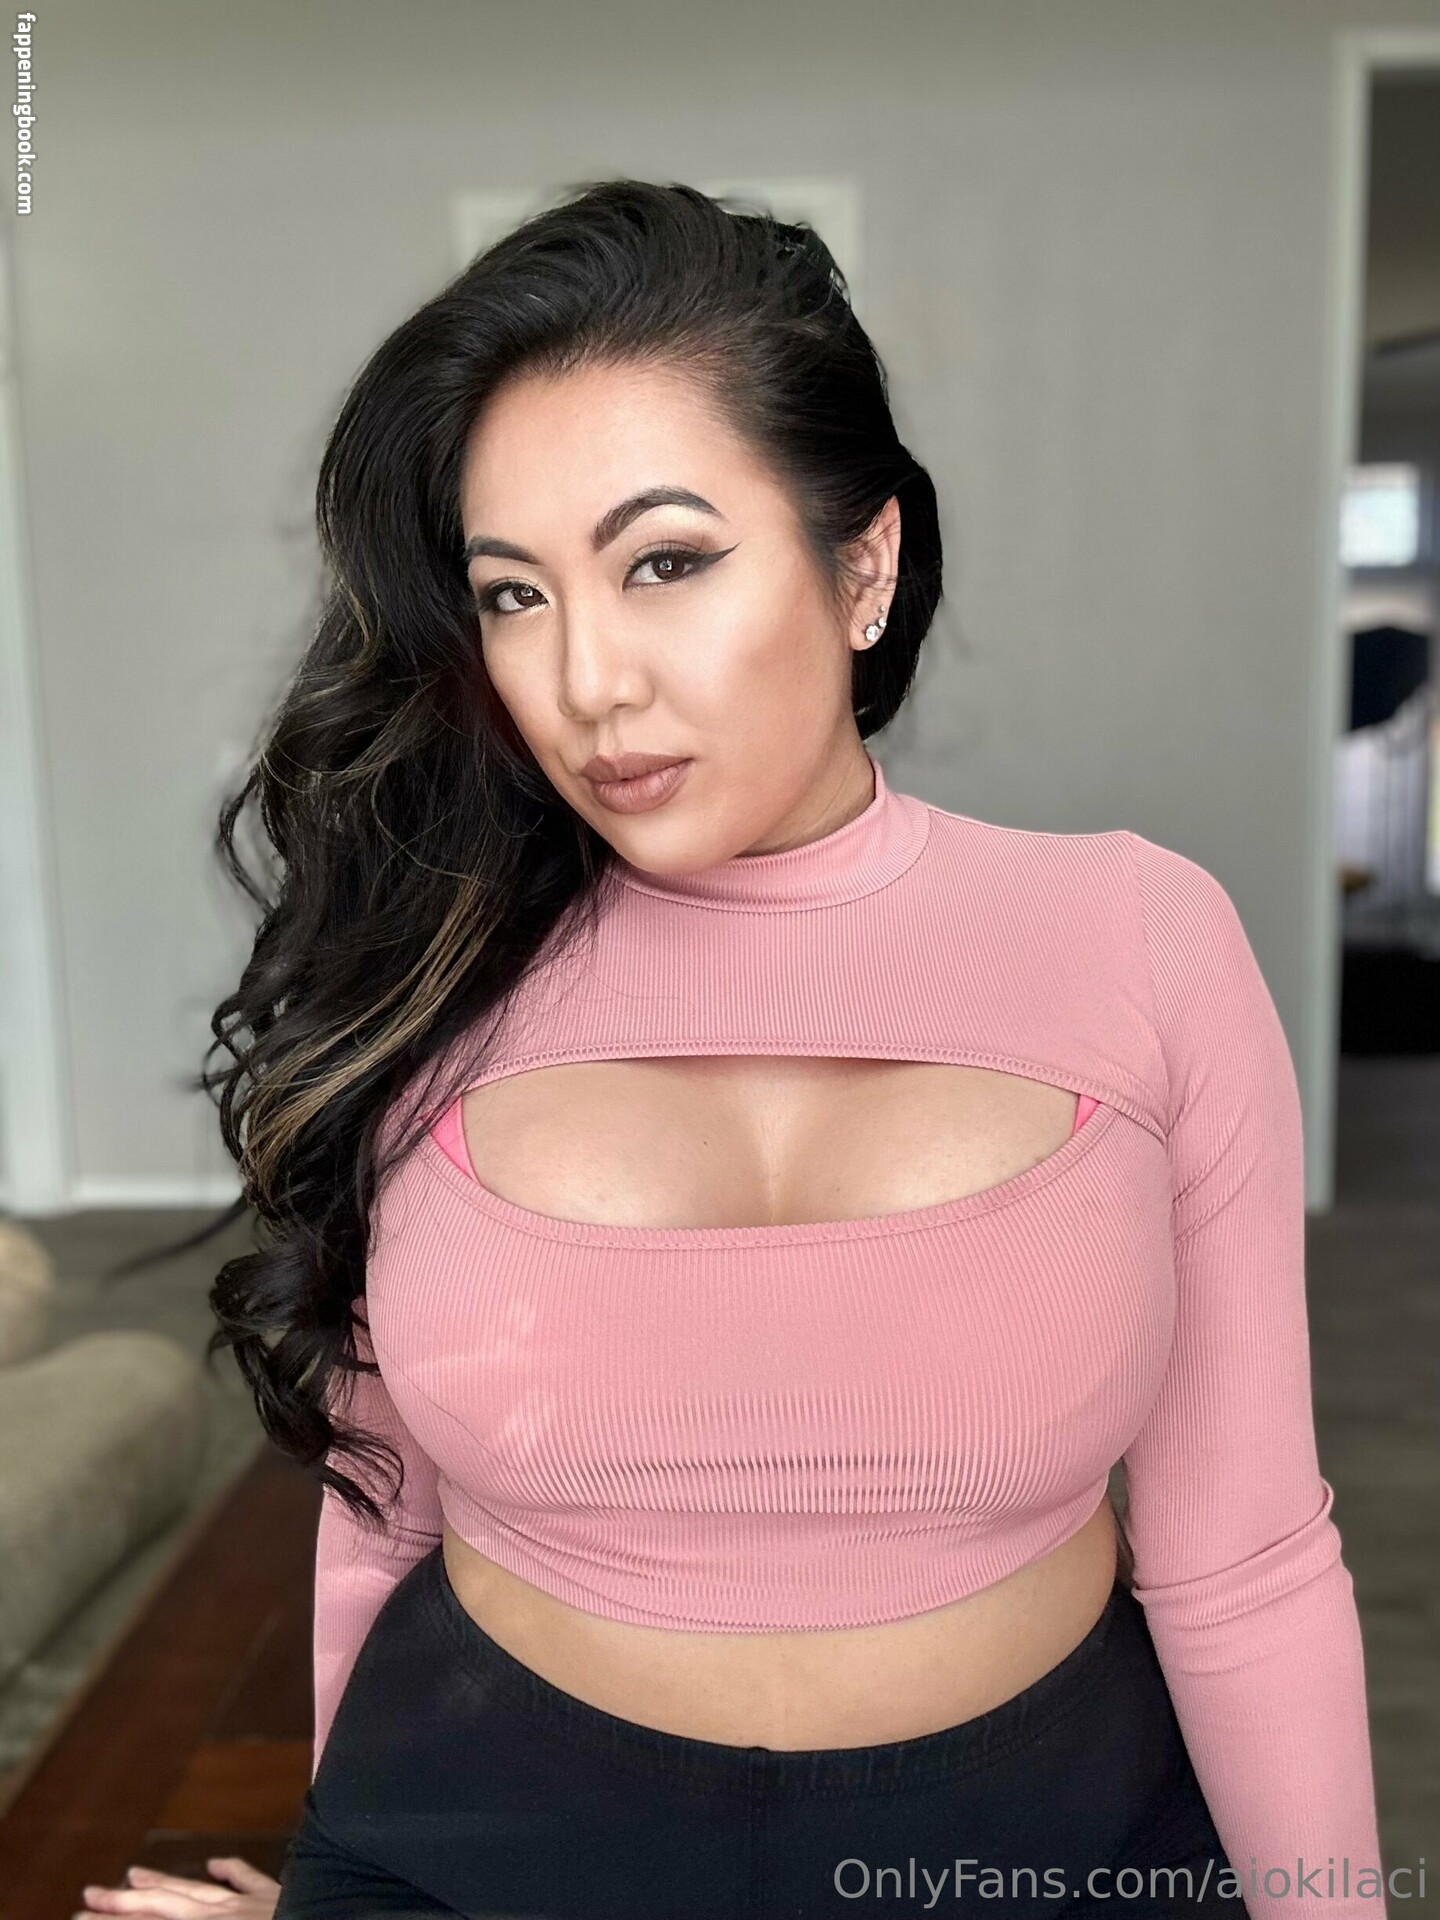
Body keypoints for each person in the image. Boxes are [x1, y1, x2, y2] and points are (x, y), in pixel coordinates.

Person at [76, 179, 1384, 1920]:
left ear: (864, 565)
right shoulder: (428, 966)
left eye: (666, 562)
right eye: (514, 594)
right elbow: (382, 1515)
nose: (586, 681)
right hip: (475, 1857)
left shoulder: (1140, 937)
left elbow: (1246, 1559)